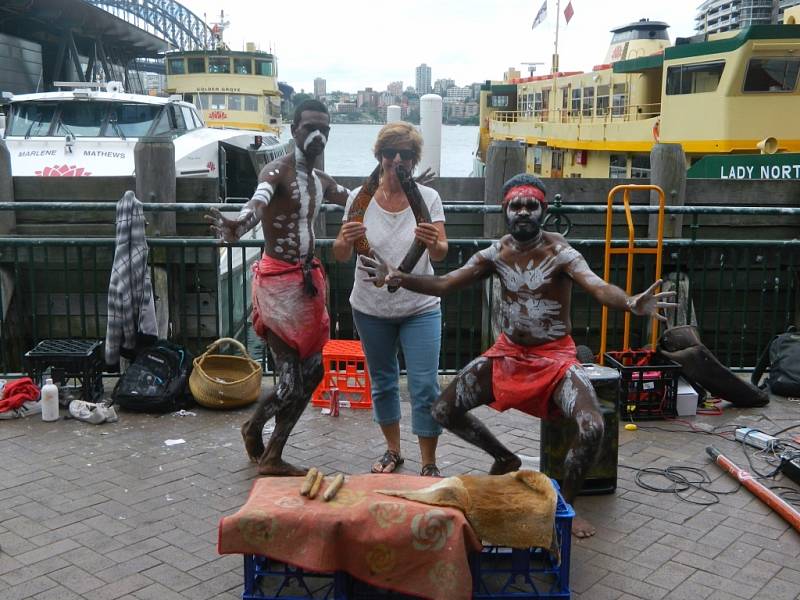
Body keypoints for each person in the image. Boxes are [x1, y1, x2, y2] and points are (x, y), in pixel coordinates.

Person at [359, 173, 676, 536]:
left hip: (555, 358)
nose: (524, 212)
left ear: (542, 210)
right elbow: (446, 283)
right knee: (443, 409)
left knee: (593, 428)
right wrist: (399, 277)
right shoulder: (497, 253)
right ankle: (504, 457)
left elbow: (597, 286)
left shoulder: (561, 252)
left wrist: (630, 302)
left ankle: (566, 508)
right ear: (506, 211)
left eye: (531, 206)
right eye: (516, 206)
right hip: (509, 354)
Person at [206, 99, 350, 476]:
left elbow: (357, 200)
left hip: (307, 285)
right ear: (294, 130)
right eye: (309, 128)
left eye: (325, 129)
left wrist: (399, 185)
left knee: (315, 373)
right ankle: (256, 431)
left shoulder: (320, 180)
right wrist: (239, 223)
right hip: (277, 287)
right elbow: (258, 201)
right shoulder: (276, 171)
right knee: (289, 385)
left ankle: (272, 453)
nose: (318, 135)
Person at [333, 122, 449, 477]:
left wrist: (432, 242)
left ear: (413, 160)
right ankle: (393, 451)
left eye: (404, 154)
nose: (396, 159)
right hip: (370, 307)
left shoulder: (427, 198)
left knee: (424, 384)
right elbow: (340, 255)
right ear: (379, 156)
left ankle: (428, 462)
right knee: (382, 382)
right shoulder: (358, 199)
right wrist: (345, 239)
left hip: (420, 306)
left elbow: (442, 254)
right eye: (389, 152)